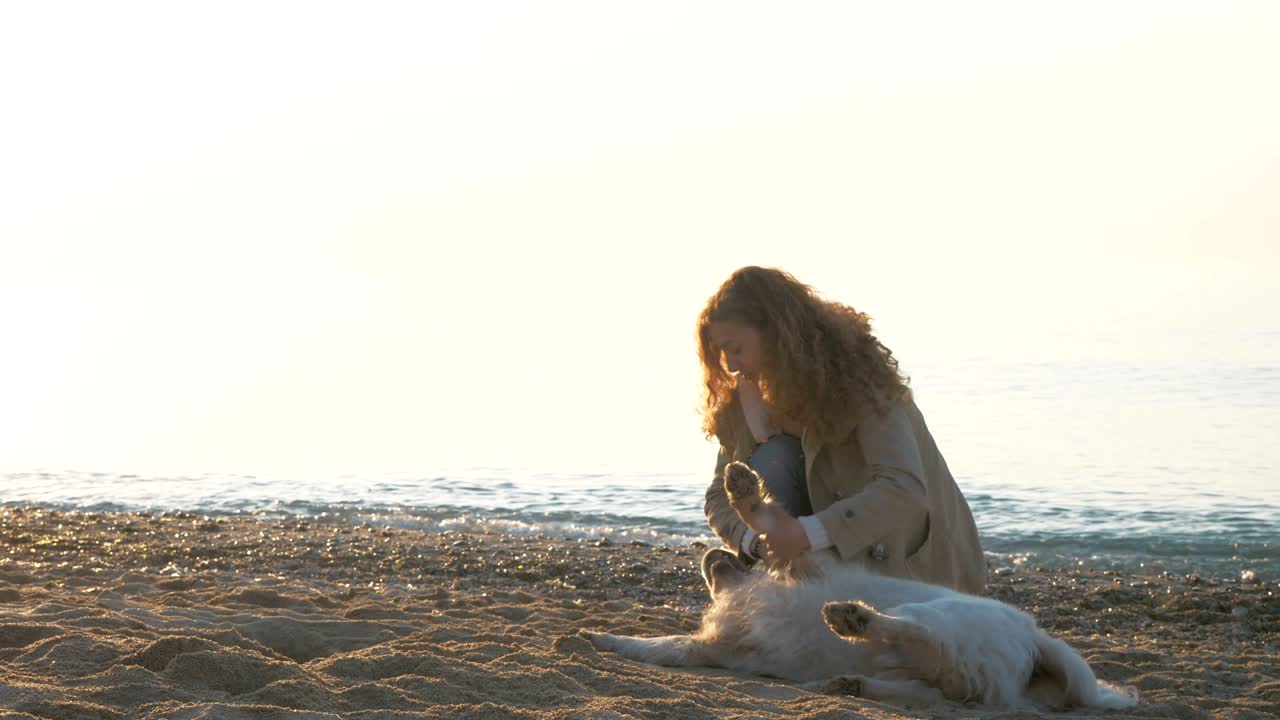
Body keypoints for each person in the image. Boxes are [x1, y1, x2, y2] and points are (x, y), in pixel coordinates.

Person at [698, 266, 986, 595]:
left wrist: (805, 534)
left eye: (736, 348)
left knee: (776, 460)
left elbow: (904, 489)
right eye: (721, 352)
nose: (730, 365)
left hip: (920, 573)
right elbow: (719, 496)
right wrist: (759, 542)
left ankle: (795, 586)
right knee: (771, 457)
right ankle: (789, 581)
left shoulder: (860, 377)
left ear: (776, 334)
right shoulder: (748, 396)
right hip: (818, 558)